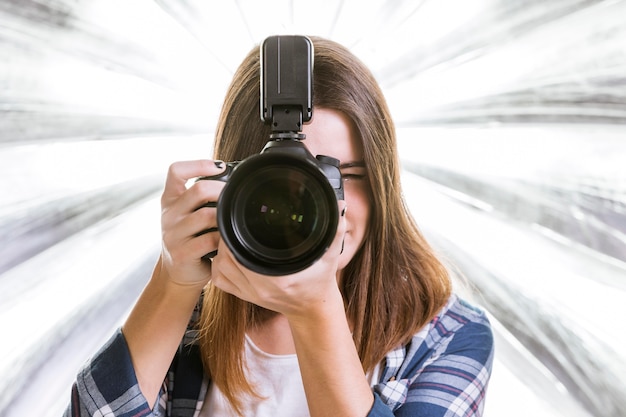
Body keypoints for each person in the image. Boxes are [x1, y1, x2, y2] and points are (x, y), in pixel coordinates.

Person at [65, 36, 494, 417]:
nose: (320, 207)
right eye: (285, 183)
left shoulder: (447, 335)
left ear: (383, 186)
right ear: (230, 186)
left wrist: (315, 310)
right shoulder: (191, 318)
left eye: (344, 177)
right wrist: (172, 281)